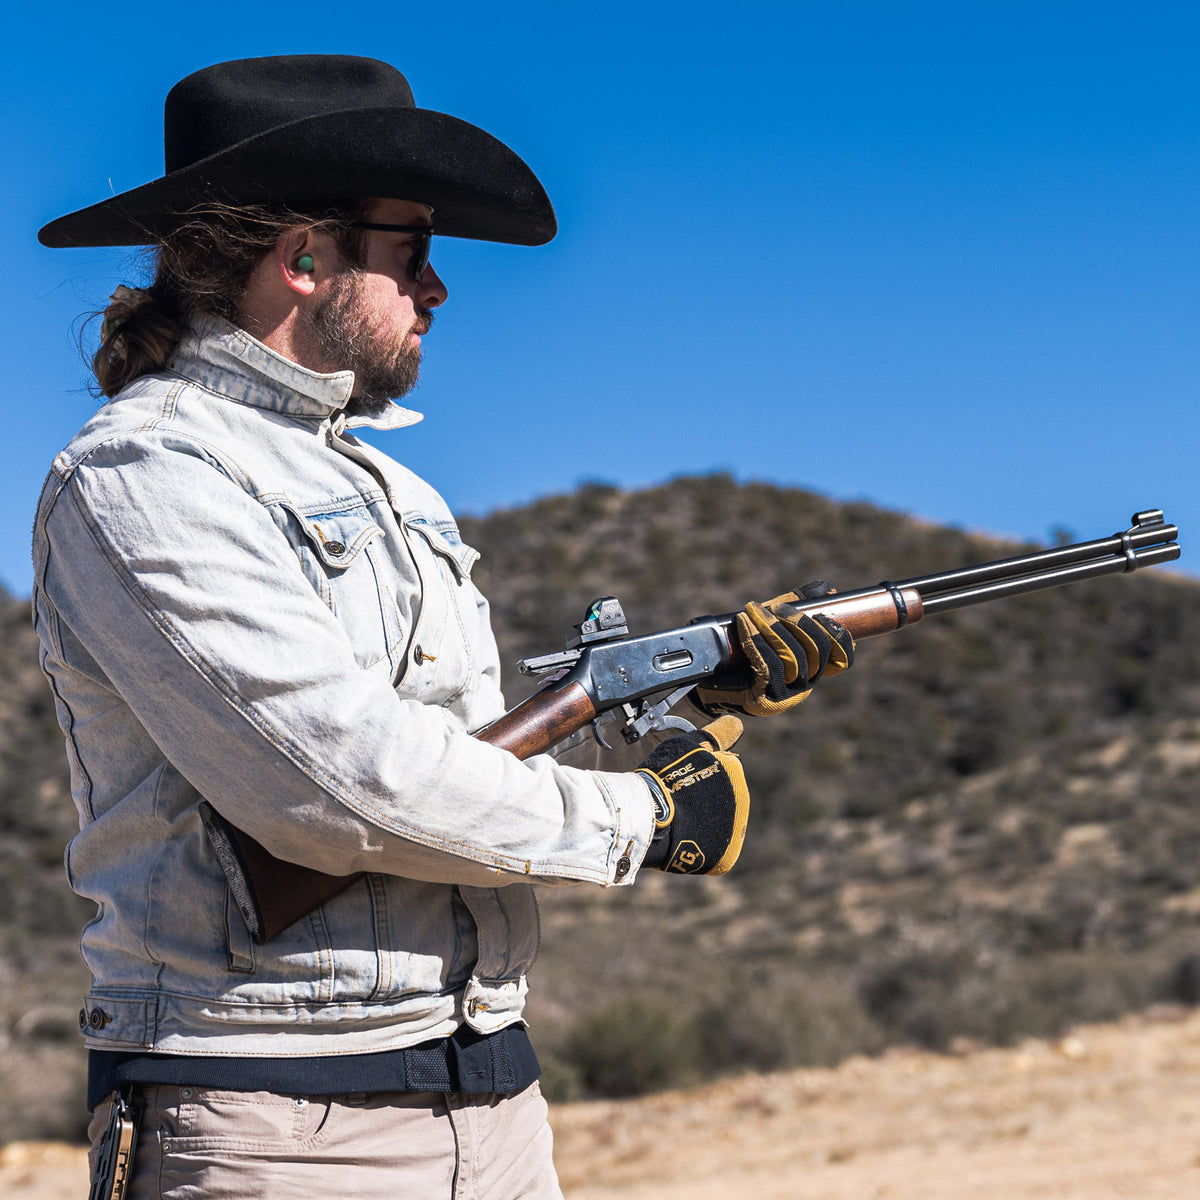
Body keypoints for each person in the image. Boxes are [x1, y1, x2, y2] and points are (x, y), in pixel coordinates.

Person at [33, 55, 853, 1200]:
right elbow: (336, 785)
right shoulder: (142, 472)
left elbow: (463, 766)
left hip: (496, 1099)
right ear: (305, 258)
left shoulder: (397, 490)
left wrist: (704, 697)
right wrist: (638, 817)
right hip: (278, 1122)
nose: (440, 288)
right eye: (413, 251)